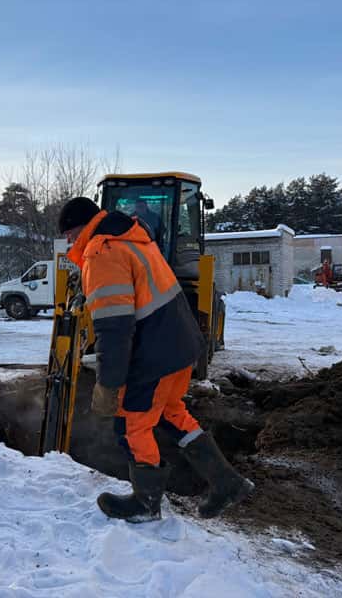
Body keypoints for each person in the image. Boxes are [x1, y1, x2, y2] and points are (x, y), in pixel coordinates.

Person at [58, 196, 253, 524]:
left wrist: (108, 383)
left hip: (155, 354)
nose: (67, 241)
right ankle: (227, 482)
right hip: (179, 347)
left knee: (130, 423)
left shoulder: (102, 251)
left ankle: (145, 503)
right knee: (171, 414)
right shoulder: (135, 239)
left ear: (82, 227)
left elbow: (114, 327)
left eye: (68, 233)